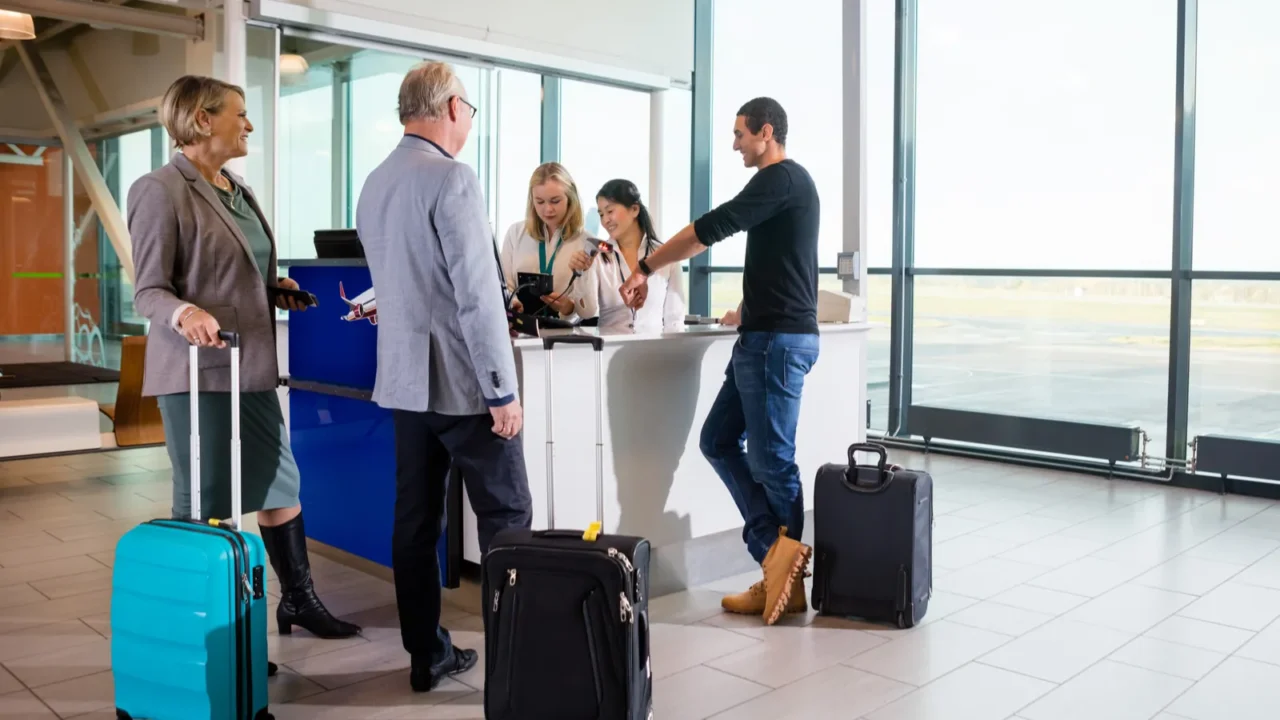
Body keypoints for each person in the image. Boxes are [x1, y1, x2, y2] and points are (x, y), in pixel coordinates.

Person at [128, 75, 361, 671]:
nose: (249, 124)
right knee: (208, 500)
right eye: (240, 113)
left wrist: (273, 288)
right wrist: (186, 313)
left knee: (281, 484)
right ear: (203, 120)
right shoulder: (159, 190)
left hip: (250, 367)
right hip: (198, 372)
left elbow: (238, 273)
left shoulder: (238, 190)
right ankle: (210, 634)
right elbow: (149, 290)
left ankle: (299, 600)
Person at [355, 60, 533, 693]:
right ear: (453, 107)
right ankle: (517, 662)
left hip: (405, 384)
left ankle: (425, 656)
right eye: (470, 110)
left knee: (415, 519)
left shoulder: (375, 181)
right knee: (507, 515)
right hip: (462, 385)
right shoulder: (452, 178)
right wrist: (501, 390)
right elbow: (477, 297)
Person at [619, 97, 820, 626]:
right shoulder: (789, 186)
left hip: (775, 344)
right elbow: (787, 262)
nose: (734, 145)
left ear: (766, 132)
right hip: (763, 336)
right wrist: (748, 309)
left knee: (773, 461)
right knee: (718, 440)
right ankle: (776, 562)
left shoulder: (780, 179)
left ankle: (783, 572)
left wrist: (645, 267)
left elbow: (710, 228)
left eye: (739, 134)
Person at [569, 179, 685, 332]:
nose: (605, 220)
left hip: (653, 345)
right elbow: (587, 312)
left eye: (610, 211)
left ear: (634, 209)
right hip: (610, 345)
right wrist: (582, 273)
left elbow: (675, 321)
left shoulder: (666, 256)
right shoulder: (598, 257)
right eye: (601, 214)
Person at [499, 162, 597, 323]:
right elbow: (504, 285)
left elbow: (589, 311)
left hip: (564, 332)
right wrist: (512, 303)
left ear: (570, 198)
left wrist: (569, 308)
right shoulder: (515, 233)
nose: (547, 210)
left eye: (555, 201)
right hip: (521, 329)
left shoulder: (585, 242)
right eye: (540, 202)